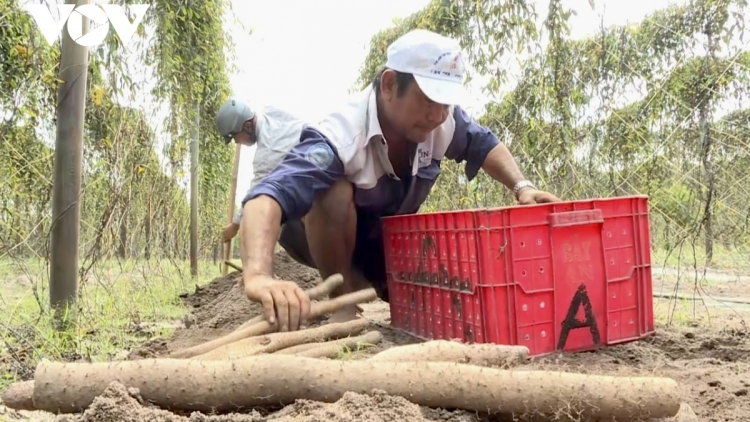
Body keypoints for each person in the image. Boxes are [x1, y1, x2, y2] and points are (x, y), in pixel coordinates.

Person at [237, 29, 562, 333]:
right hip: (318, 238)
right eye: (429, 100)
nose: (438, 115)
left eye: (445, 103)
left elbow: (484, 143)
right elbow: (267, 195)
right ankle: (343, 300)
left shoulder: (442, 122)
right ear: (390, 85)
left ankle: (372, 282)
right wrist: (258, 275)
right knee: (332, 192)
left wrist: (523, 187)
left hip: (383, 240)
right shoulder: (340, 135)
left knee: (429, 297)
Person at [214, 98, 307, 245]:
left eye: (235, 137)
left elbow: (255, 191)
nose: (237, 142)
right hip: (322, 152)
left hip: (314, 181)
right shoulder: (272, 111)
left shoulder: (266, 154)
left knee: (282, 226)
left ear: (247, 126)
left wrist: (235, 225)